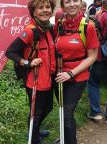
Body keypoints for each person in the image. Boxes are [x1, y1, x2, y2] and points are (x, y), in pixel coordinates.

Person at [5, 0, 56, 143]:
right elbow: (10, 52)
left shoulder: (49, 29)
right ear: (34, 12)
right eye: (40, 8)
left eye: (48, 7)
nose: (45, 10)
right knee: (36, 113)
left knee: (48, 108)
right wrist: (27, 62)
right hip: (35, 80)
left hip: (49, 78)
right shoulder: (30, 31)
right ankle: (34, 139)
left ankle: (36, 130)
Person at [54, 0, 99, 143]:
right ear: (62, 6)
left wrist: (71, 73)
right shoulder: (59, 23)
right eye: (67, 2)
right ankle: (64, 137)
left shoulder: (88, 26)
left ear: (80, 3)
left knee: (67, 112)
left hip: (77, 77)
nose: (72, 4)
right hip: (59, 75)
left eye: (75, 0)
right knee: (62, 111)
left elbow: (92, 57)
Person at [87, 0, 107, 121]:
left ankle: (95, 112)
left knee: (93, 82)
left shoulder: (103, 15)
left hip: (101, 56)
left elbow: (97, 35)